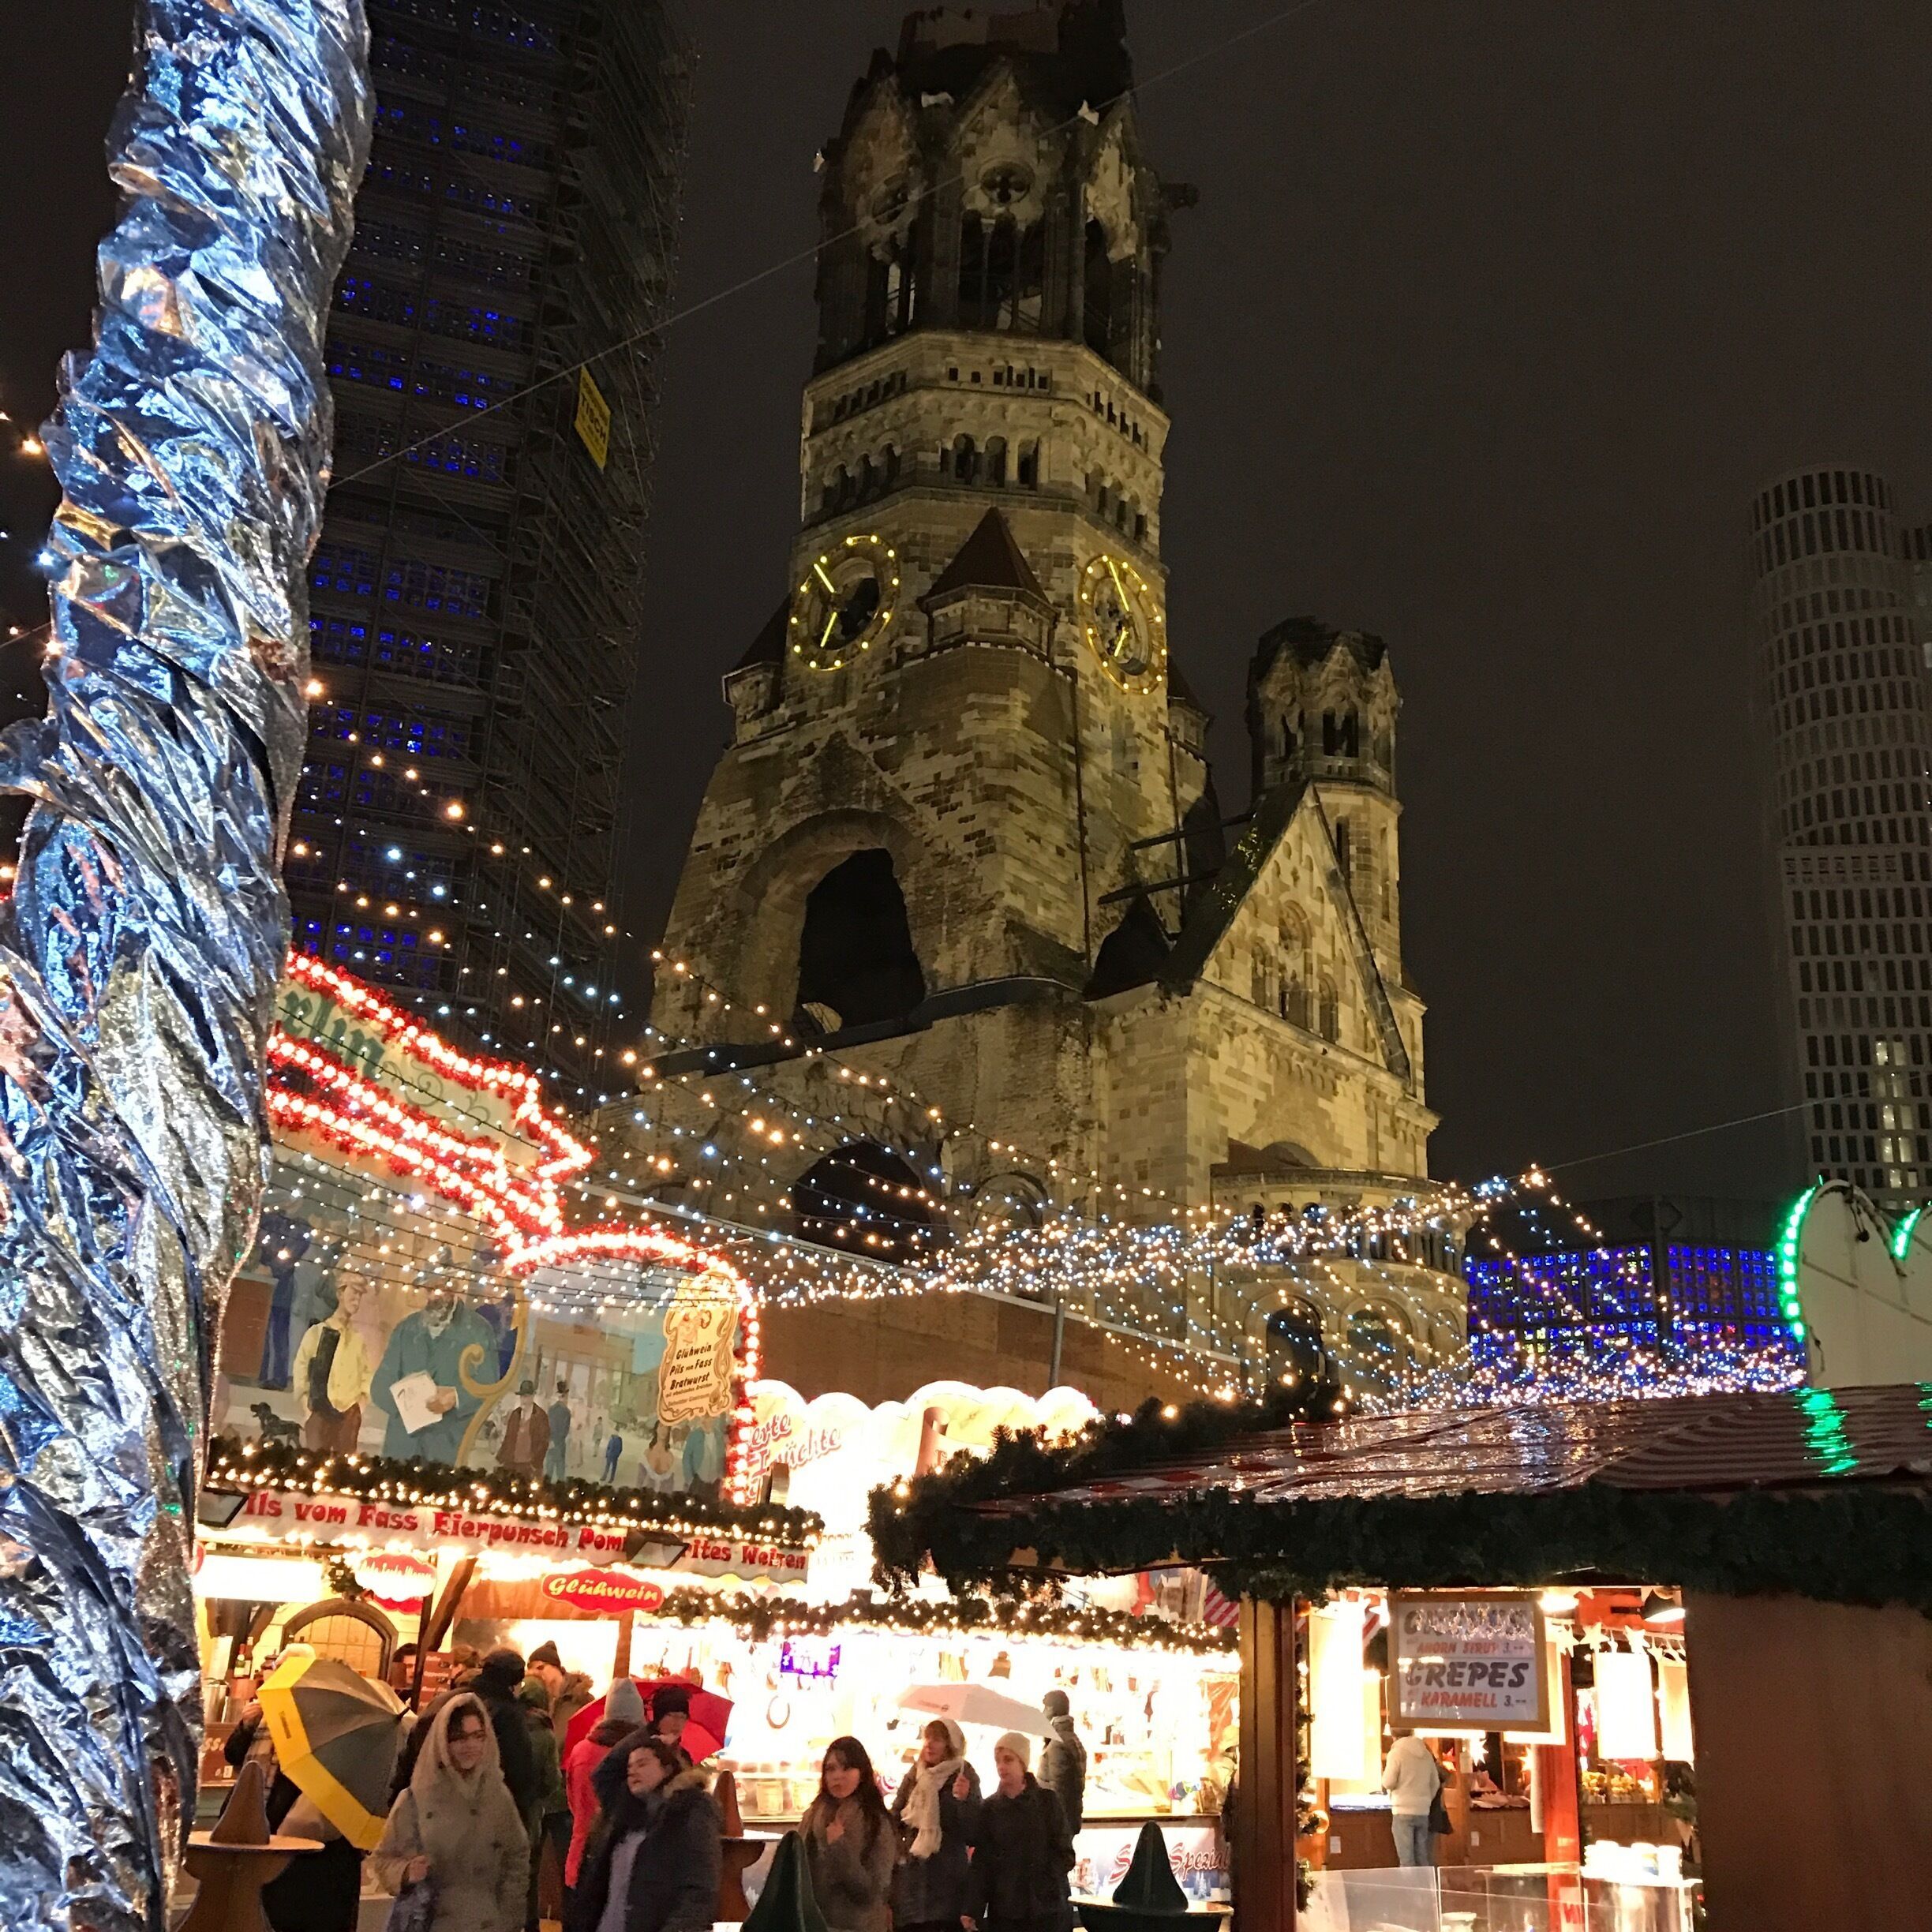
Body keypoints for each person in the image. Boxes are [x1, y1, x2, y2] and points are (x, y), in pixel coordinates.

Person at [370, 1691, 530, 1932]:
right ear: (443, 1742)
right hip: (435, 1922)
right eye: (460, 1738)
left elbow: (517, 1855)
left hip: (487, 1922)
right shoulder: (417, 1798)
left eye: (478, 1736)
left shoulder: (497, 1795)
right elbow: (383, 1859)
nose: (471, 1746)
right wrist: (405, 1872)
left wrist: (508, 1917)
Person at [568, 1732, 721, 1932]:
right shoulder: (624, 1816)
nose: (632, 1772)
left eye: (642, 1764)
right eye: (629, 1767)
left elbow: (699, 1888)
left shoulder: (689, 1812)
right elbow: (603, 1774)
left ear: (667, 1769)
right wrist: (645, 1732)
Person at [964, 1732, 1073, 1932]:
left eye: (1008, 1760)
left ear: (1022, 1762)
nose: (1001, 1767)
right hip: (1006, 1911)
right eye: (998, 1761)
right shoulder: (990, 1808)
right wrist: (972, 1909)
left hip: (1045, 1910)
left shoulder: (1047, 1802)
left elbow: (1065, 1853)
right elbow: (982, 1863)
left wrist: (1043, 1880)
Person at [369, 1290, 496, 1461]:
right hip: (400, 1449)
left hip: (446, 1451)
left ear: (455, 1286)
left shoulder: (478, 1330)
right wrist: (406, 1401)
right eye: (430, 1287)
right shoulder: (407, 1327)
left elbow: (490, 1385)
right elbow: (379, 1387)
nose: (435, 1293)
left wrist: (455, 1397)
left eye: (442, 1286)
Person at [889, 1718, 981, 1932]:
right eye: (927, 1738)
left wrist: (964, 1800)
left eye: (937, 1739)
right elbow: (896, 1815)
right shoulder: (916, 1774)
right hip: (913, 1877)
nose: (929, 1744)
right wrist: (900, 1850)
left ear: (951, 1744)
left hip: (947, 1880)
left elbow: (973, 1832)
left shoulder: (963, 1774)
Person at [802, 1736, 897, 1932]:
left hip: (859, 1926)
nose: (838, 1776)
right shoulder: (813, 1816)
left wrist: (839, 1847)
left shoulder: (876, 1822)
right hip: (815, 1923)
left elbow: (872, 1892)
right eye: (831, 1769)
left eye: (846, 1768)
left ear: (861, 1773)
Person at [564, 1679, 647, 1901]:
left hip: (581, 1854)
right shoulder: (642, 1755)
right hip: (623, 1859)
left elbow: (573, 1801)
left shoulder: (581, 1750)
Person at [290, 1278, 375, 1452]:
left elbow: (366, 1373)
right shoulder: (317, 1332)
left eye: (360, 1296)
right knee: (314, 1466)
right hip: (319, 1412)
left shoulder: (358, 1340)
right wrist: (307, 1404)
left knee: (343, 1470)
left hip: (348, 1414)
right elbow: (301, 1368)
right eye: (353, 1293)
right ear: (340, 1294)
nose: (356, 1300)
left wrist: (361, 1403)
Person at [519, 1677, 567, 1932]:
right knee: (530, 1873)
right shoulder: (545, 1733)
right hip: (534, 1814)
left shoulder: (506, 1725)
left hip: (509, 1811)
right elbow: (552, 1779)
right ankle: (530, 1924)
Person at [1380, 1727, 1441, 1868]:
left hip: (1402, 1810)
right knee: (1422, 1857)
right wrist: (1425, 1800)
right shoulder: (1426, 1753)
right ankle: (1425, 1887)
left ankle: (1411, 1889)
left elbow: (1388, 1782)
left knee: (1407, 1859)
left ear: (1394, 1736)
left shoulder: (1396, 1753)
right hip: (1423, 1811)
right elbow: (1435, 1783)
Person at [1039, 1691, 1087, 1834]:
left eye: (1045, 1708)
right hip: (1066, 1822)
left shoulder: (1058, 1743)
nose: (1043, 1713)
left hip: (1057, 1827)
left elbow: (1058, 1791)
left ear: (1052, 1709)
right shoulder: (1071, 1738)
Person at [529, 1640, 595, 1738]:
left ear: (555, 1666)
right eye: (532, 1671)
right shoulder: (538, 1704)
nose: (537, 1674)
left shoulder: (583, 1701)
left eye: (540, 1668)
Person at [499, 1380, 551, 1477]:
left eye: (526, 1397)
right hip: (512, 1463)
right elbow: (508, 1438)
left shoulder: (540, 1416)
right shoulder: (515, 1414)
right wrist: (501, 1458)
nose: (523, 1400)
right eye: (522, 1397)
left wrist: (534, 1463)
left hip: (529, 1466)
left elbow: (544, 1442)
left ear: (532, 1397)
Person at [546, 1381, 574, 1481]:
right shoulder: (567, 1412)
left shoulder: (551, 1410)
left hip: (550, 1444)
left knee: (548, 1472)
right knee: (560, 1473)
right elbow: (564, 1432)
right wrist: (556, 1442)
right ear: (565, 1396)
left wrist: (550, 1441)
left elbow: (548, 1427)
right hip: (560, 1445)